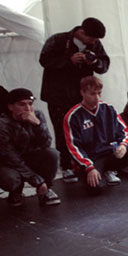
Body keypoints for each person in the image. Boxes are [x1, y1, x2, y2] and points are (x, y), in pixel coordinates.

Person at [39, 17, 109, 183]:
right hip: (58, 96)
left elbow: (104, 65)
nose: (94, 42)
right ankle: (67, 166)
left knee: (88, 129)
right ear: (81, 32)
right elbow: (44, 60)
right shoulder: (58, 40)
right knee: (62, 130)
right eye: (91, 38)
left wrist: (94, 61)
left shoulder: (95, 44)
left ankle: (87, 163)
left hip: (84, 95)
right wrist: (68, 61)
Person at [65, 76, 128, 194]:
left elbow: (124, 131)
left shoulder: (109, 108)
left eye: (99, 93)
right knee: (95, 189)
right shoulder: (73, 116)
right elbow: (74, 147)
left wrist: (123, 145)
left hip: (110, 154)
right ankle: (93, 174)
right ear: (82, 93)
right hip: (92, 159)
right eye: (92, 94)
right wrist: (89, 167)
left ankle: (110, 170)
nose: (97, 97)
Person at [0, 88, 61, 207]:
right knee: (10, 178)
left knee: (52, 154)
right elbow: (10, 157)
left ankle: (46, 189)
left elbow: (46, 144)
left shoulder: (37, 115)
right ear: (11, 107)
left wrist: (37, 125)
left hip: (29, 156)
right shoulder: (3, 124)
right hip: (9, 163)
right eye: (22, 105)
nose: (27, 109)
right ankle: (16, 190)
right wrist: (37, 181)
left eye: (30, 104)